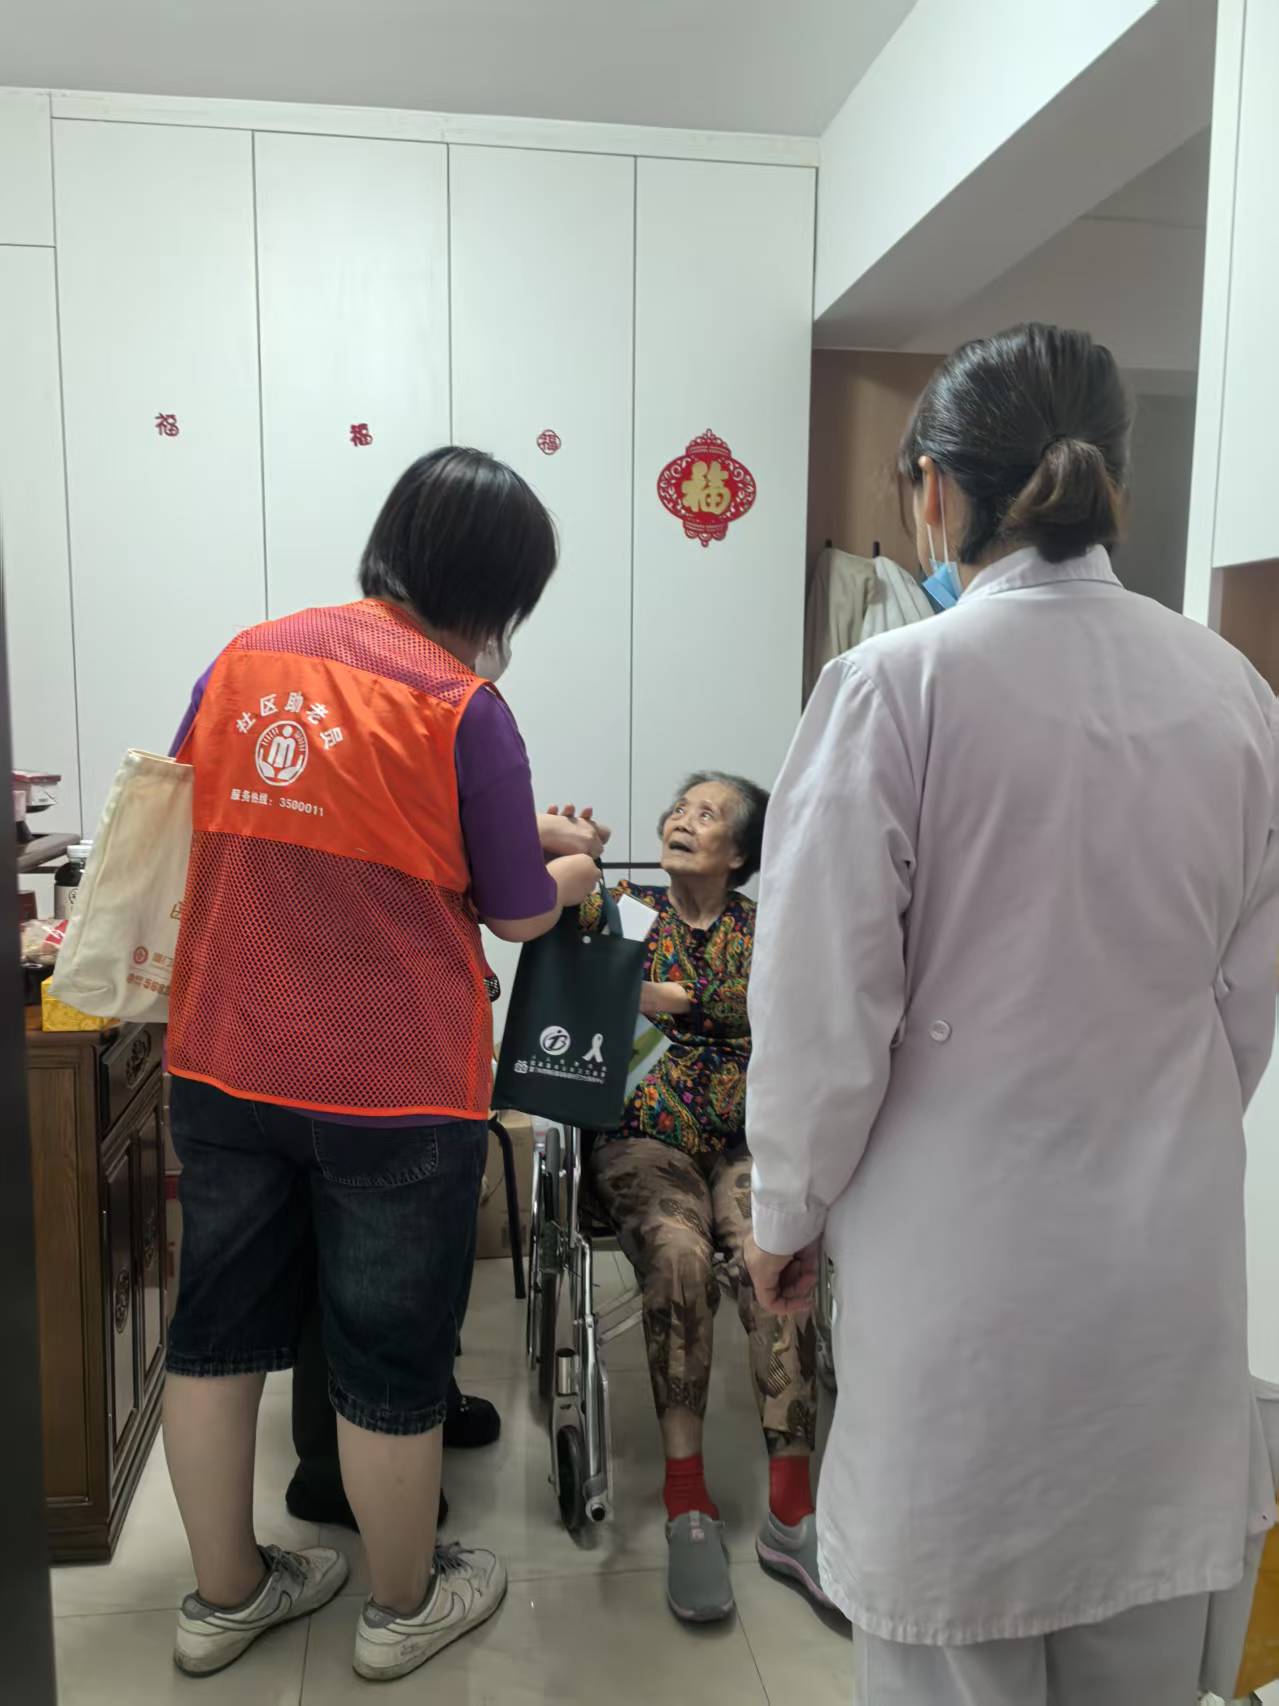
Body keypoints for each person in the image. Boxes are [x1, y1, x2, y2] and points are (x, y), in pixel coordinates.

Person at [744, 322, 1279, 1706]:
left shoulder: (894, 685)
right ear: (1112, 480)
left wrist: (786, 1212)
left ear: (932, 488)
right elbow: (1241, 1004)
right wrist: (1145, 1122)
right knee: (1135, 1627)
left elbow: (820, 1007)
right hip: (1162, 1265)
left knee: (956, 1640)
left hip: (960, 1270)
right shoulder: (1234, 695)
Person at [162, 447, 600, 1682]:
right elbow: (516, 909)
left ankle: (222, 1596)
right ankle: (402, 1606)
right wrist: (567, 867)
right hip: (392, 1085)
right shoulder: (463, 706)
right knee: (389, 1351)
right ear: (499, 589)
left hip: (225, 1056)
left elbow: (213, 809)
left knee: (215, 1336)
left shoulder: (244, 658)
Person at [284, 807, 610, 1534]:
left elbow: (451, 843)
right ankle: (337, 1473)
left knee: (427, 1265)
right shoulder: (398, 749)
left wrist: (531, 836)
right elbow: (510, 905)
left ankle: (423, 1408)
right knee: (361, 1277)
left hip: (421, 1049)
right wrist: (561, 873)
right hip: (375, 1053)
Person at [580, 773, 828, 1625]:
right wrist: (574, 858)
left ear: (740, 853)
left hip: (746, 1141)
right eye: (680, 809)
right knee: (679, 1255)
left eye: (707, 814)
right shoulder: (623, 910)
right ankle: (686, 1497)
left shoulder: (768, 931)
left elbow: (806, 1017)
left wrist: (681, 1000)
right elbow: (554, 940)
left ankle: (791, 1512)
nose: (682, 821)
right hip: (643, 1139)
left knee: (776, 1247)